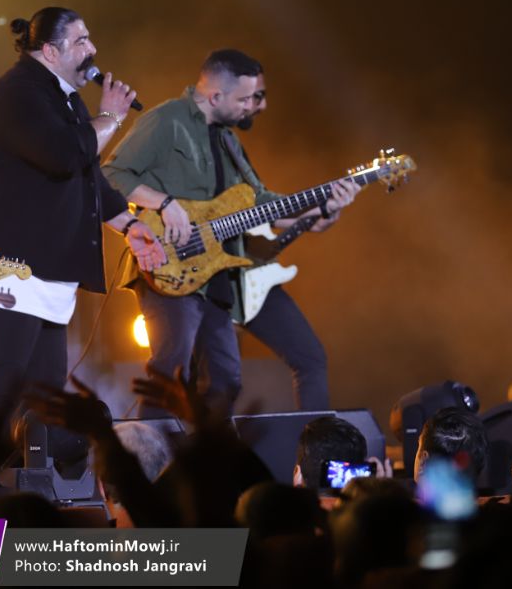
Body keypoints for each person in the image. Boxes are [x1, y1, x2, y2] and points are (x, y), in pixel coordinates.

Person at [0, 7, 164, 420]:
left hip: (39, 271)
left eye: (89, 38)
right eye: (80, 41)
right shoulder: (18, 93)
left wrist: (129, 225)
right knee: (1, 385)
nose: (92, 49)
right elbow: (64, 156)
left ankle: (31, 464)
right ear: (51, 52)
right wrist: (110, 115)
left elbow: (87, 175)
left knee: (45, 395)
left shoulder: (64, 100)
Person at [102, 49, 355, 417]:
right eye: (245, 99)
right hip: (167, 261)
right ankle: (141, 451)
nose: (254, 106)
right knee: (170, 373)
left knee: (225, 381)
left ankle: (207, 451)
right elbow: (110, 175)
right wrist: (164, 203)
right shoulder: (166, 120)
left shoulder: (229, 141)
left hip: (215, 274)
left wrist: (323, 206)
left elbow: (260, 203)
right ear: (215, 95)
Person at [231, 70, 357, 410]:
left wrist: (323, 211)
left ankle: (318, 441)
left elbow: (267, 212)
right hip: (207, 275)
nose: (262, 106)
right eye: (255, 97)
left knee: (310, 358)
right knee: (215, 378)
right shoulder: (189, 136)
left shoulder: (232, 147)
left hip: (251, 273)